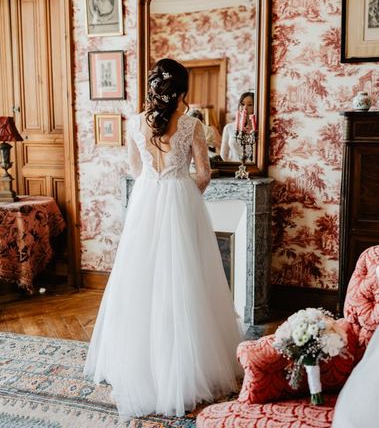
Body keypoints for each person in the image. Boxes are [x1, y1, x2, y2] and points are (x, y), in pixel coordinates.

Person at [84, 58, 243, 418]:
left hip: (146, 199)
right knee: (186, 280)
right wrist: (185, 194)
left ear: (154, 87)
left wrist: (155, 185)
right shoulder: (192, 125)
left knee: (140, 279)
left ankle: (139, 361)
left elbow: (135, 169)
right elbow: (204, 173)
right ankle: (186, 363)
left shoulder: (136, 123)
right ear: (183, 92)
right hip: (180, 199)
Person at [220, 92, 254, 162]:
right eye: (242, 104)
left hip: (254, 169)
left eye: (250, 105)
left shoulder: (258, 130)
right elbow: (223, 155)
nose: (245, 107)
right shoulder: (228, 128)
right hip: (233, 168)